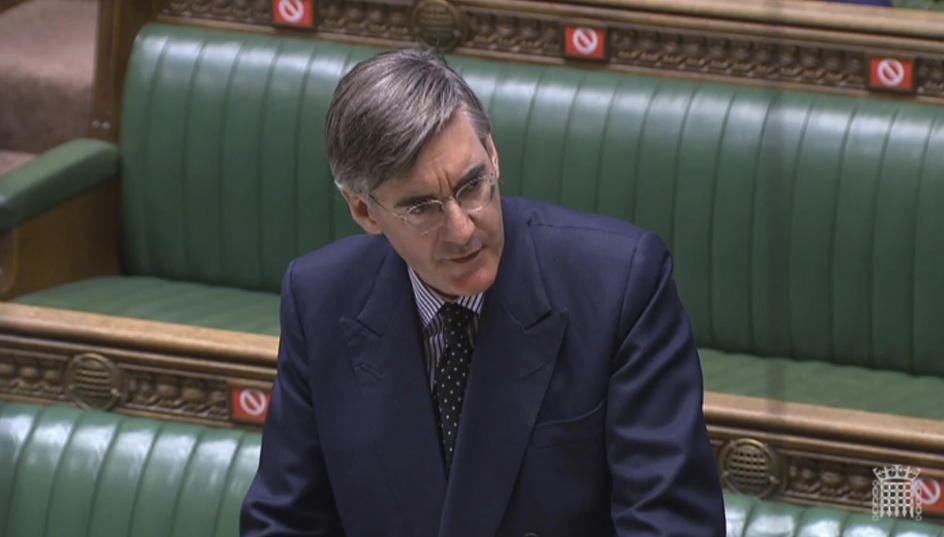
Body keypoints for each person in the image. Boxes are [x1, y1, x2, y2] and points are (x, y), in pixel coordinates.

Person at [240, 48, 725, 537]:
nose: (462, 229)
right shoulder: (319, 300)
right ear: (364, 211)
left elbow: (673, 526)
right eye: (422, 208)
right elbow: (285, 522)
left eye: (473, 185)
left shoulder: (621, 285)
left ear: (492, 154)